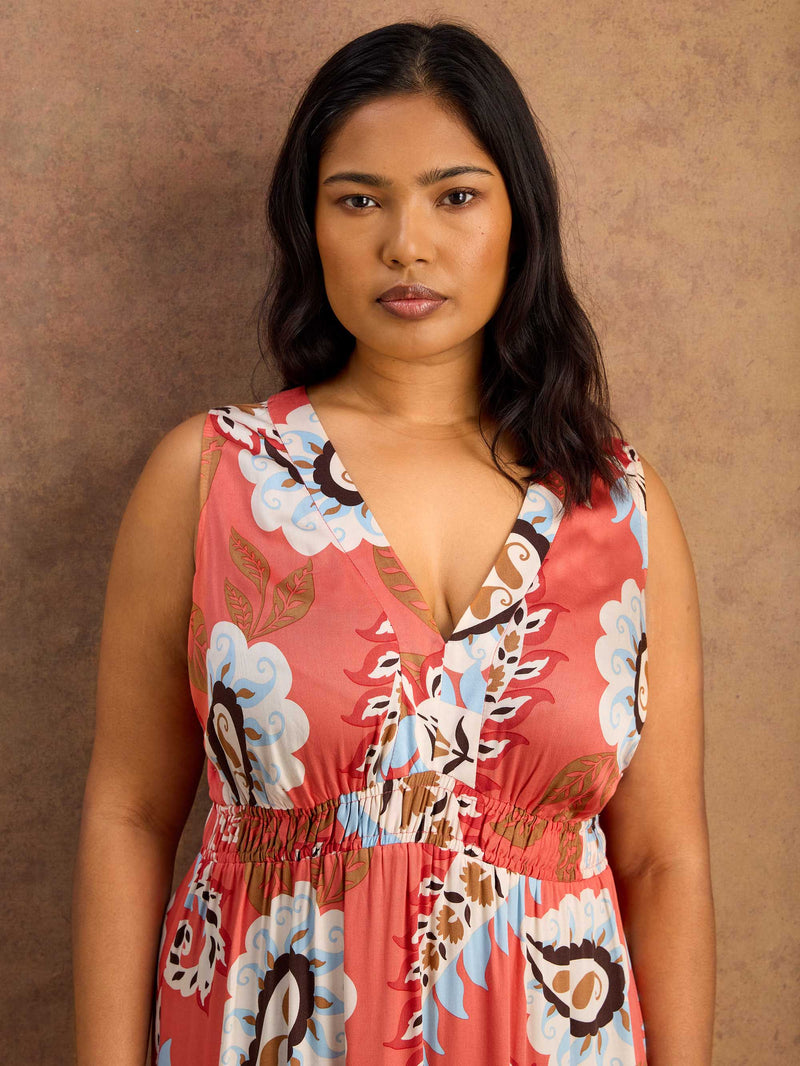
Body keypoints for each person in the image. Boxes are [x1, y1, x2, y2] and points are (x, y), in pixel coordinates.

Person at [72, 18, 715, 1066]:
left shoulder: (618, 503)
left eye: (454, 196)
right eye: (357, 199)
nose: (404, 244)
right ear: (307, 223)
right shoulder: (213, 476)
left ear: (519, 218)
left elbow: (662, 858)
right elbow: (130, 815)